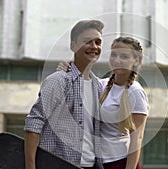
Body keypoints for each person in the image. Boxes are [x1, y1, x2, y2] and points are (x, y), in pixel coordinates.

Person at [57, 36, 149, 169]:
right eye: (114, 55)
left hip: (120, 163)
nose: (117, 60)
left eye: (124, 56)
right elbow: (75, 88)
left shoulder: (135, 91)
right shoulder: (101, 84)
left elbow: (137, 138)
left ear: (136, 60)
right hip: (95, 162)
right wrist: (65, 68)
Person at [24, 19, 105, 169]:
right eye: (87, 41)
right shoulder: (59, 80)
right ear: (73, 46)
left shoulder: (98, 86)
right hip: (58, 164)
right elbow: (34, 124)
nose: (94, 46)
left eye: (98, 42)